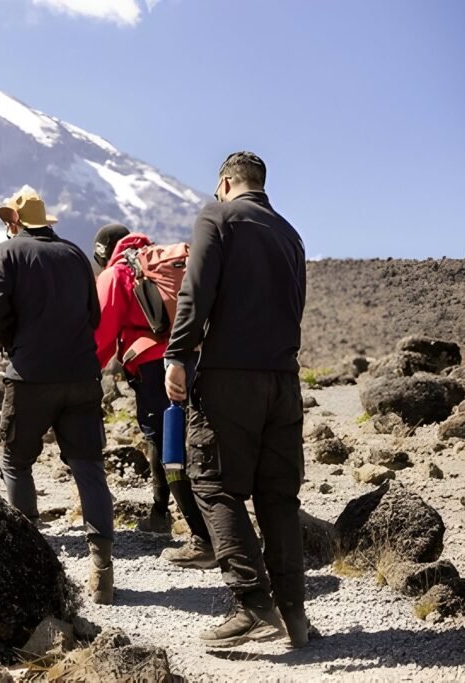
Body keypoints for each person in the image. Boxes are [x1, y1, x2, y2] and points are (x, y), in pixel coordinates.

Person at [164, 151, 309, 648]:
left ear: (225, 183)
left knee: (213, 485)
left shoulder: (218, 216)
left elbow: (195, 290)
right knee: (278, 497)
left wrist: (177, 354)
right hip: (284, 381)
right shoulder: (290, 234)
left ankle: (252, 605)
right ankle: (295, 615)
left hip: (230, 378)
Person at [0, 186, 116, 605]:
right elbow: (94, 315)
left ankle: (29, 560)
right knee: (89, 466)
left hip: (31, 376)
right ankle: (102, 569)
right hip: (81, 376)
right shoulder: (75, 254)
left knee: (17, 462)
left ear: (14, 222)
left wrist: (15, 341)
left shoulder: (7, 254)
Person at [93, 225, 216, 569]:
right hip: (197, 358)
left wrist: (88, 372)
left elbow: (102, 334)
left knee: (168, 446)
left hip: (154, 369)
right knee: (198, 440)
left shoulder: (117, 274)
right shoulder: (166, 264)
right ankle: (172, 515)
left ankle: (202, 539)